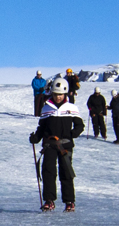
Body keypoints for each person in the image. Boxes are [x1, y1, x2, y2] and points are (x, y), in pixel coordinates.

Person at [31, 79, 86, 211]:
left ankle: (69, 202)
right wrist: (36, 138)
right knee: (48, 172)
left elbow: (80, 125)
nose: (58, 97)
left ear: (65, 93)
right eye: (55, 94)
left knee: (66, 172)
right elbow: (41, 127)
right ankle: (49, 201)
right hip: (50, 145)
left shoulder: (71, 108)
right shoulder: (46, 108)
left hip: (65, 146)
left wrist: (73, 134)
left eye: (60, 94)